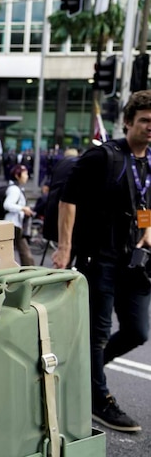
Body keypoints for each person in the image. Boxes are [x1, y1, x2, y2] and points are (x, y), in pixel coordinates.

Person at [53, 91, 151, 433]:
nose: (150, 128)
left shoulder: (149, 162)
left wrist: (148, 228)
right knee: (97, 334)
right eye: (145, 121)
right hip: (100, 259)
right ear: (127, 123)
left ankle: (85, 373)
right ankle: (99, 397)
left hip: (135, 263)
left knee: (139, 331)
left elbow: (144, 199)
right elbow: (68, 199)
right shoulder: (103, 157)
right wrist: (65, 248)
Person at [3, 164, 34, 266]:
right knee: (23, 252)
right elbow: (7, 205)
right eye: (25, 173)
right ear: (17, 175)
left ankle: (28, 271)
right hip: (13, 225)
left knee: (19, 251)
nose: (27, 176)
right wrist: (23, 208)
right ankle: (29, 272)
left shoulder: (17, 189)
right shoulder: (14, 189)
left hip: (15, 225)